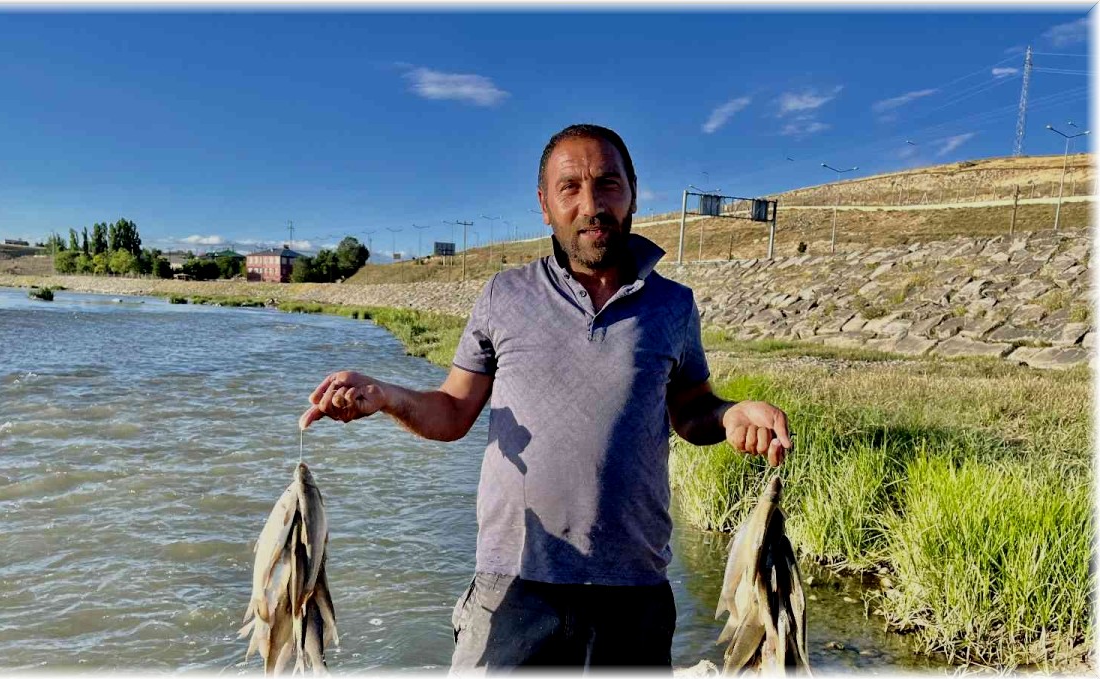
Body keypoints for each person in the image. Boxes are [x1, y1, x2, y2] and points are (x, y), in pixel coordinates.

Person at [299, 123, 792, 673]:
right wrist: (385, 395)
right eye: (570, 188)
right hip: (513, 586)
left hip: (633, 591)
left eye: (607, 184)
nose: (591, 204)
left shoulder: (674, 306)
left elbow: (691, 411)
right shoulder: (503, 295)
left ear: (633, 191)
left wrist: (731, 416)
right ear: (544, 204)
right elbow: (454, 411)